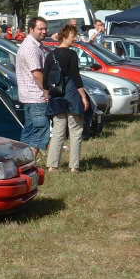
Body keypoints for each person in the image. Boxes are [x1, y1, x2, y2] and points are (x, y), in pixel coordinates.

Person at [43, 24, 90, 173]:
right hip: (71, 96)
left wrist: (46, 94)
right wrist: (84, 97)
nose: (74, 39)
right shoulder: (71, 55)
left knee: (58, 131)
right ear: (65, 36)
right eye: (73, 36)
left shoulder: (50, 55)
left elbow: (45, 79)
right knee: (75, 131)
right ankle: (74, 166)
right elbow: (76, 78)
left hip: (56, 96)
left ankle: (52, 165)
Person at [16, 17, 50, 158]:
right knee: (40, 130)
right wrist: (46, 91)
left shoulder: (35, 45)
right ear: (31, 29)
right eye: (40, 29)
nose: (44, 31)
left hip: (29, 96)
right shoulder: (31, 48)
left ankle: (20, 160)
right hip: (36, 96)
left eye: (45, 28)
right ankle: (28, 162)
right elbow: (36, 74)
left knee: (29, 131)